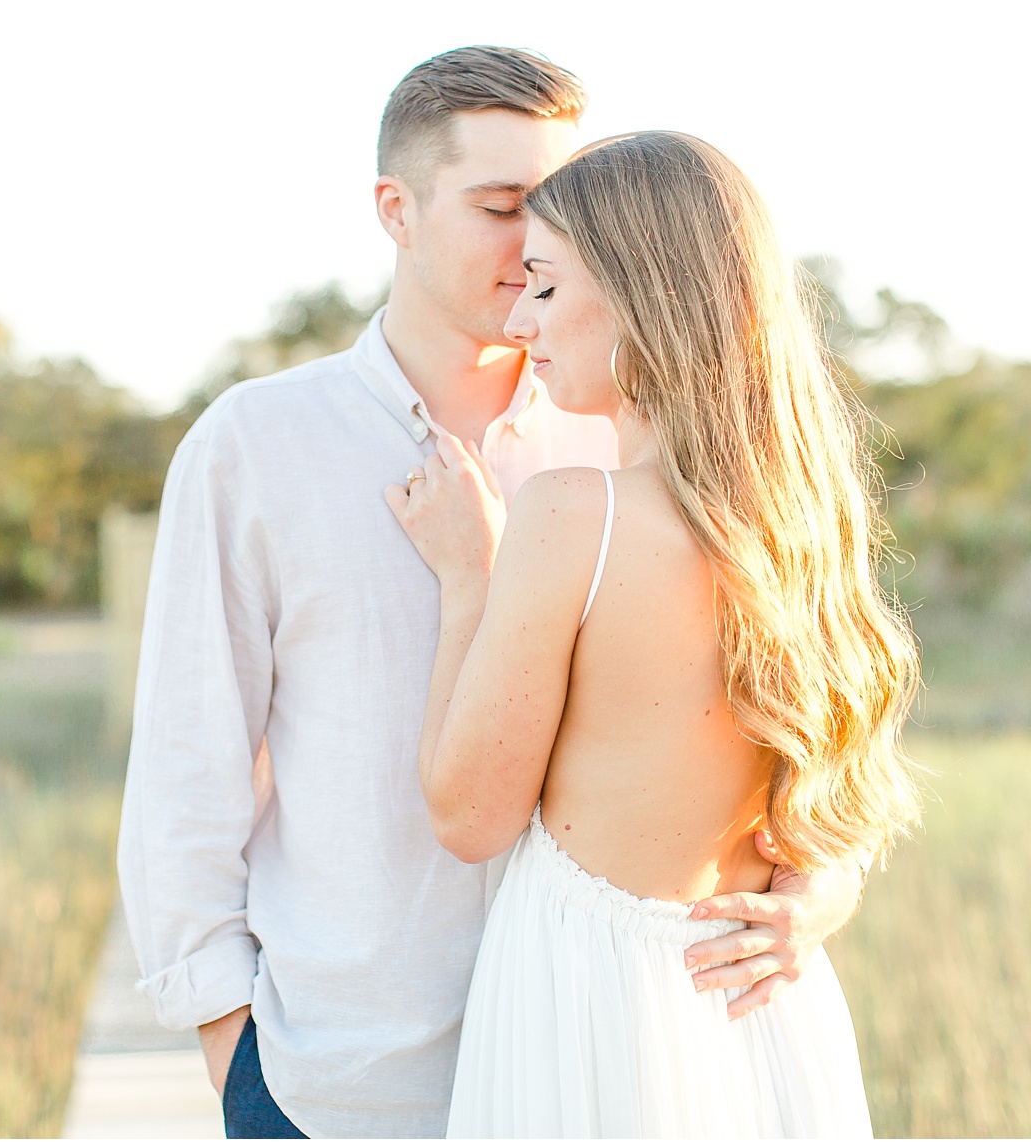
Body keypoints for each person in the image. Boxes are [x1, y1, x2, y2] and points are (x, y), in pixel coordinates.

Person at [117, 49, 870, 1140]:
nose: (533, 247)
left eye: (560, 209)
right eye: (502, 205)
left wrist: (818, 888)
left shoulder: (626, 431)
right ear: (398, 209)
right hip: (343, 1078)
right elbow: (190, 761)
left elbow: (796, 718)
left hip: (613, 1061)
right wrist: (228, 1036)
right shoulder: (255, 444)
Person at [388, 132, 922, 1138]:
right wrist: (827, 893)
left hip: (598, 1002)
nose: (518, 318)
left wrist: (469, 578)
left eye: (544, 286)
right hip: (763, 1004)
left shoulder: (568, 515)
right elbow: (835, 810)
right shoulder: (802, 523)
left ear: (639, 296)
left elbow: (468, 815)